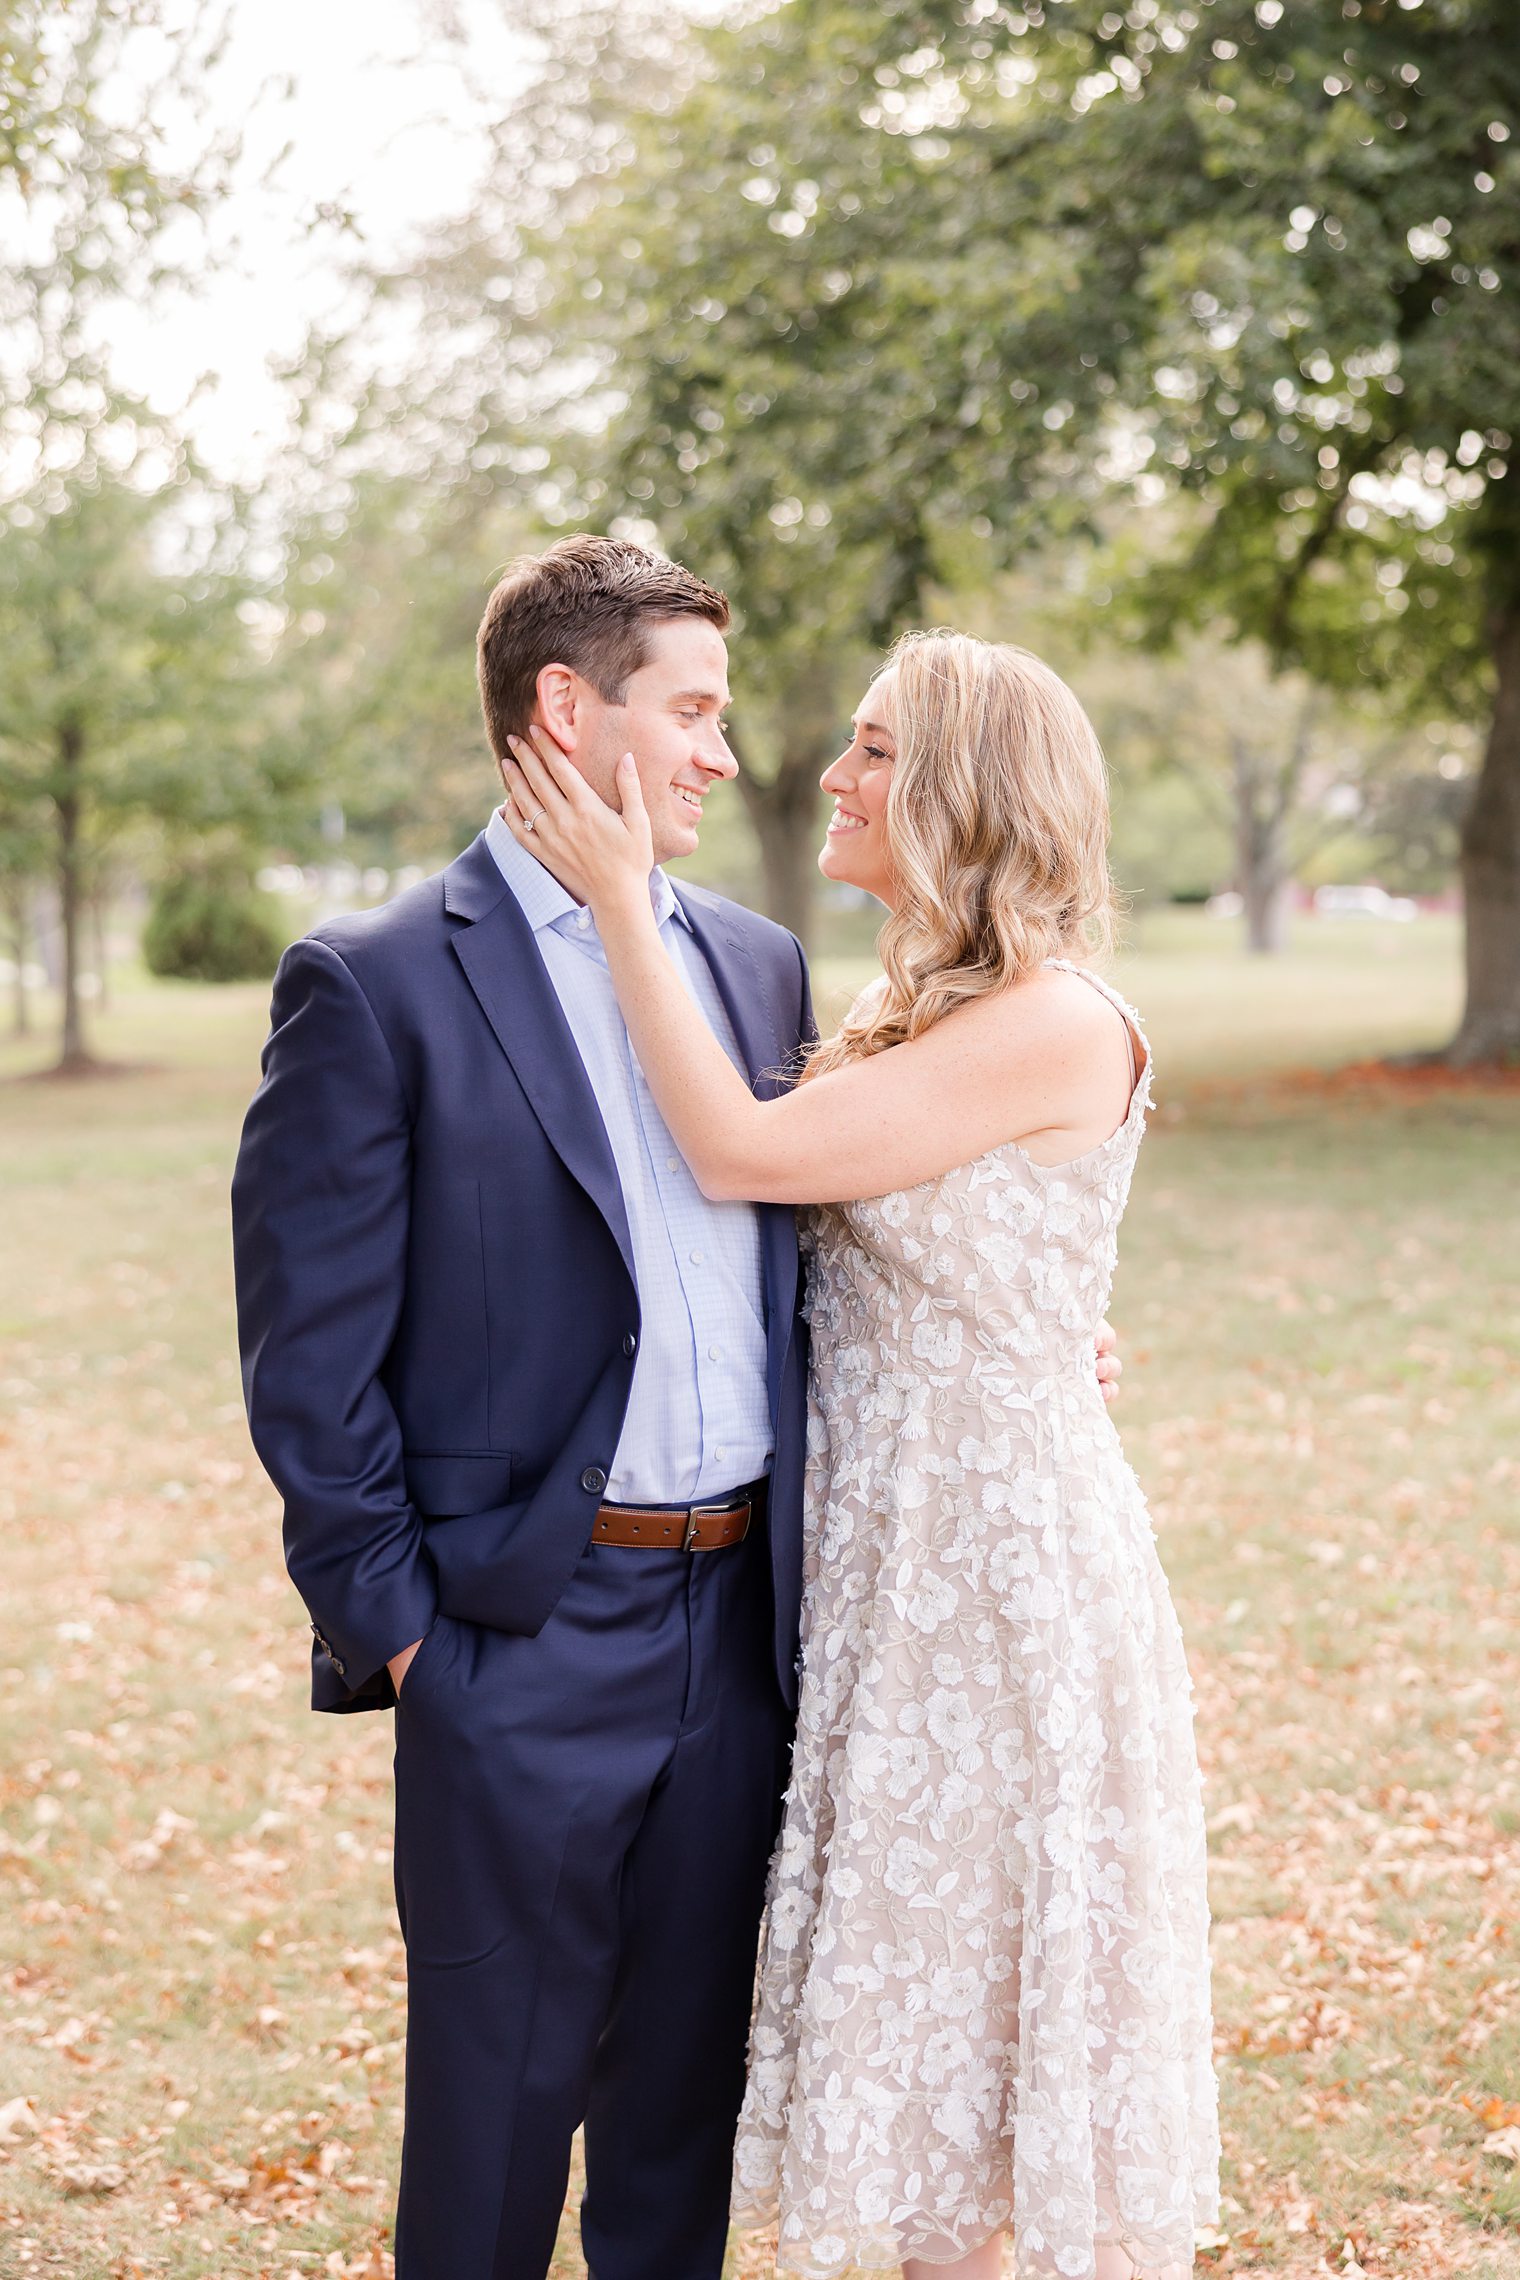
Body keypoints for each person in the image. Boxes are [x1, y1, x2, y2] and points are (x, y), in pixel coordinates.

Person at [231, 538, 1120, 2280]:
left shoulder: (759, 964)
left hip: (760, 1635)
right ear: (569, 709)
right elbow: (307, 1374)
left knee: (678, 2150)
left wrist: (1051, 1342)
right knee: (487, 2148)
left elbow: (865, 1229)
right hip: (517, 1644)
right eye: (694, 710)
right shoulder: (377, 982)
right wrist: (412, 1645)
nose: (726, 754)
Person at [497, 626, 1219, 2280]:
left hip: (995, 1594)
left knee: (974, 2080)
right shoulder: (904, 1010)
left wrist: (616, 898)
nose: (830, 772)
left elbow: (743, 1152)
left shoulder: (1053, 1020)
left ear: (967, 789)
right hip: (888, 1580)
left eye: (877, 750)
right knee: (922, 2078)